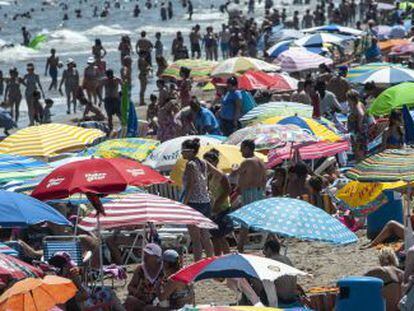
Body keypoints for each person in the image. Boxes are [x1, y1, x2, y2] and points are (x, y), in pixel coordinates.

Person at [181, 138, 215, 261]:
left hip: (194, 202)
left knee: (195, 238)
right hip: (205, 202)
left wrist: (184, 204)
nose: (181, 153)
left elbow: (190, 185)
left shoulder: (190, 164)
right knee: (205, 236)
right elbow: (207, 177)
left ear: (191, 151)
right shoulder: (203, 162)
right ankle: (211, 260)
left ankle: (197, 263)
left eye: (183, 150)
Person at [232, 139, 266, 253]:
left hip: (250, 192)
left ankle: (240, 246)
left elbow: (236, 175)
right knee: (262, 219)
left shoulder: (247, 162)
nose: (240, 150)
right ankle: (273, 241)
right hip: (260, 192)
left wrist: (234, 171)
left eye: (242, 148)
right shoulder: (260, 161)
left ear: (247, 148)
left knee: (245, 220)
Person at [203, 149, 233, 256]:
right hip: (213, 209)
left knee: (221, 237)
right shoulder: (209, 176)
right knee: (215, 237)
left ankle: (228, 258)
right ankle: (217, 258)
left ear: (215, 162)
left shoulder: (221, 175)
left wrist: (217, 205)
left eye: (209, 162)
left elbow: (227, 191)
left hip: (223, 208)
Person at [124, 243, 164, 311]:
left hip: (159, 303)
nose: (145, 257)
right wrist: (139, 293)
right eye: (145, 254)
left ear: (157, 257)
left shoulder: (164, 270)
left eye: (148, 255)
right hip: (142, 301)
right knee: (130, 300)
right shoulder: (140, 269)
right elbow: (130, 286)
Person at [347, 89, 369, 160]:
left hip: (358, 132)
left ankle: (360, 164)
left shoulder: (357, 105)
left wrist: (359, 125)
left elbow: (361, 114)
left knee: (359, 150)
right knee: (358, 149)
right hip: (358, 131)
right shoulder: (357, 104)